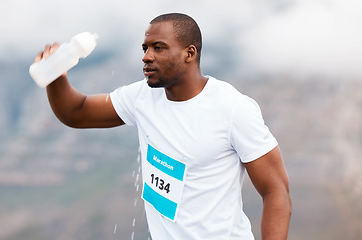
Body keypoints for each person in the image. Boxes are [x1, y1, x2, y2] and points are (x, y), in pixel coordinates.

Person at [34, 13, 291, 240]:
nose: (147, 57)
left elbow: (275, 190)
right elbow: (75, 113)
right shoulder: (143, 97)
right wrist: (56, 74)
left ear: (189, 53)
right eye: (145, 48)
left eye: (159, 48)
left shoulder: (233, 109)